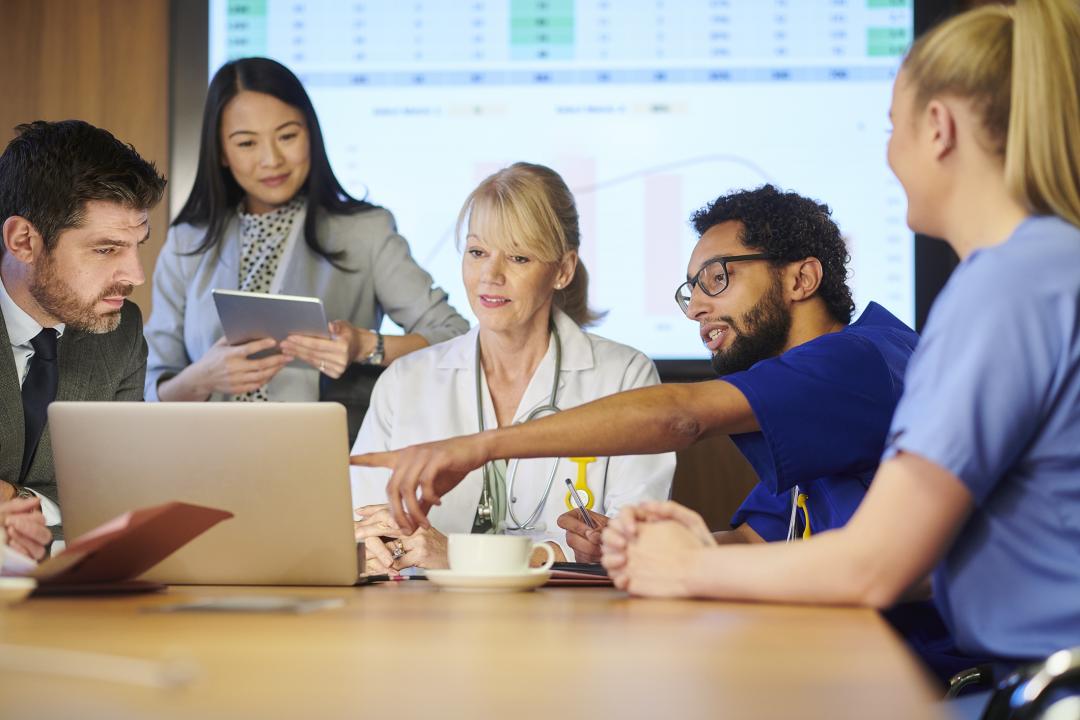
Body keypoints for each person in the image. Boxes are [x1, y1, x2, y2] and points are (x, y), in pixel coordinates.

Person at [597, 0, 1080, 675]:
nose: (887, 153)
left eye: (891, 128)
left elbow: (878, 565)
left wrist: (688, 569)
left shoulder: (1003, 288)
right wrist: (700, 553)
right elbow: (924, 559)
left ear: (938, 129)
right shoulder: (1049, 266)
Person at [351, 181, 919, 563]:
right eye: (691, 289)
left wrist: (481, 447)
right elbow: (751, 538)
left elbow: (682, 418)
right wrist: (619, 548)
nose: (696, 307)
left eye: (717, 278)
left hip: (915, 669)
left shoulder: (862, 360)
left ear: (800, 279)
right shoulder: (815, 402)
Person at [350, 162, 674, 572]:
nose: (490, 275)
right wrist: (380, 549)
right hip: (426, 621)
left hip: (574, 625)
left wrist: (456, 556)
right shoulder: (405, 381)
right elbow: (358, 527)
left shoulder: (625, 376)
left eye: (518, 257)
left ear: (563, 270)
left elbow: (634, 548)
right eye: (477, 252)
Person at [145, 57, 467, 438]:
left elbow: (455, 335)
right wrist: (202, 377)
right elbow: (150, 389)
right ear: (221, 154)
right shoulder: (188, 243)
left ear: (311, 135)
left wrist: (365, 345)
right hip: (205, 458)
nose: (272, 159)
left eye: (287, 136)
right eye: (247, 143)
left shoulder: (365, 231)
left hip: (328, 457)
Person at [0, 119, 166, 548]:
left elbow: (117, 491)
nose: (136, 276)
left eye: (137, 246)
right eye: (106, 249)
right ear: (23, 241)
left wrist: (26, 505)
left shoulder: (120, 330)